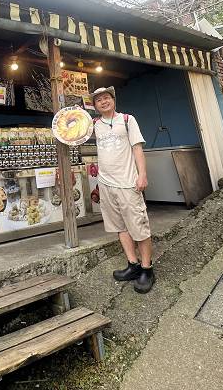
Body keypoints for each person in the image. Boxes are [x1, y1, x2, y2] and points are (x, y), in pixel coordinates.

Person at [90, 86, 154, 293]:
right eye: (98, 100)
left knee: (139, 226)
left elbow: (137, 148)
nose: (103, 101)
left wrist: (142, 174)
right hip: (106, 184)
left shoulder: (127, 120)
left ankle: (146, 269)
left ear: (113, 100)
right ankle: (133, 264)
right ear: (95, 106)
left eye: (106, 98)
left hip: (128, 183)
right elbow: (71, 135)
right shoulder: (94, 125)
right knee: (121, 227)